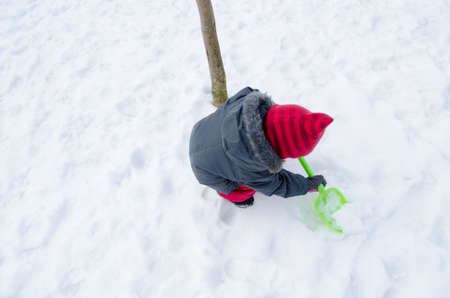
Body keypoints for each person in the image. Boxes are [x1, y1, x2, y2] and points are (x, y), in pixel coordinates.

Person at [189, 87, 333, 208]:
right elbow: (278, 185)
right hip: (205, 170)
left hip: (202, 130)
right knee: (245, 189)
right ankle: (237, 199)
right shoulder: (251, 167)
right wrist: (307, 185)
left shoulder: (248, 98)